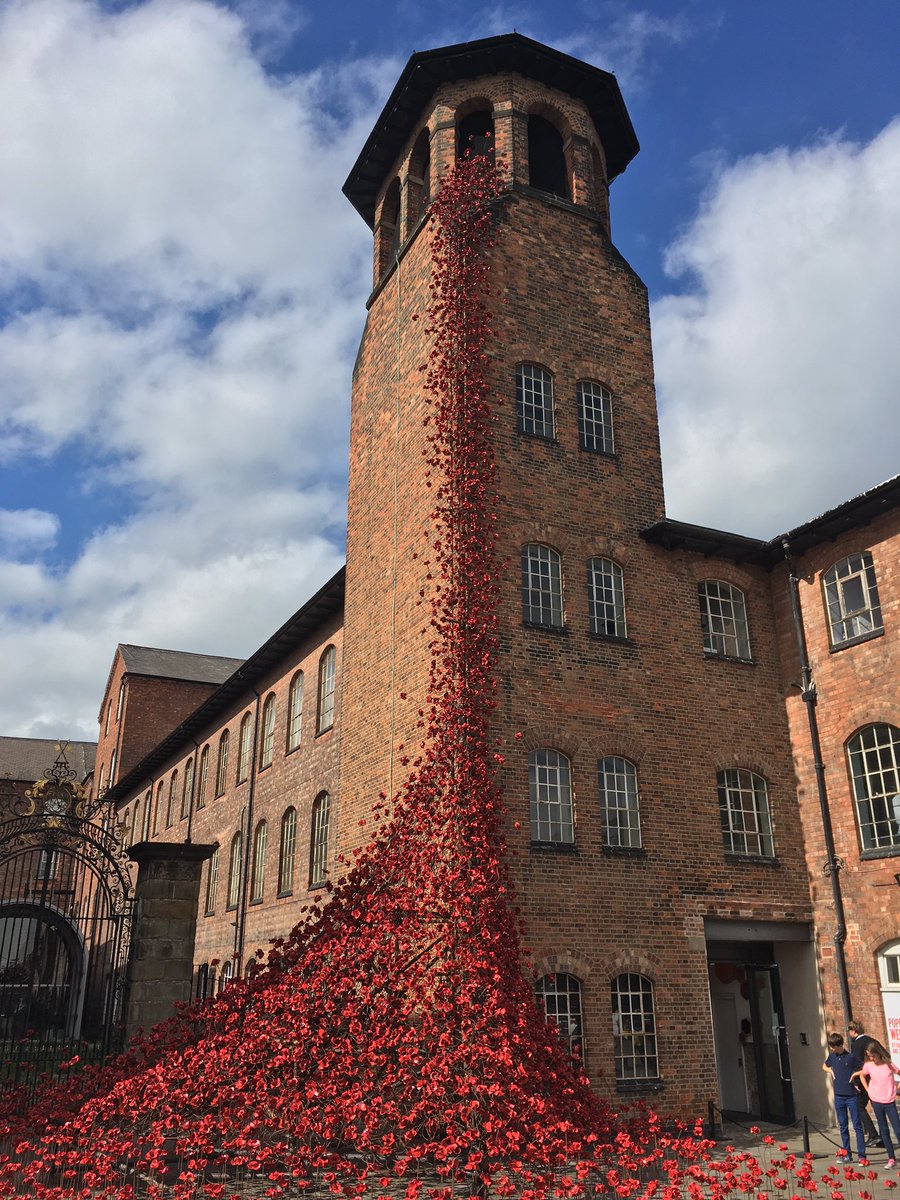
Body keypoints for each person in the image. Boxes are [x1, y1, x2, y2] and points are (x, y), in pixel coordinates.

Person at [854, 1043, 900, 1168]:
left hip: (889, 1100)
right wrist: (868, 1089)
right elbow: (862, 1075)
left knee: (897, 1129)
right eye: (870, 1057)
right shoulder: (868, 1065)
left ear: (878, 1053)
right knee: (884, 1130)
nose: (872, 1059)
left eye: (873, 1056)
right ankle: (891, 1158)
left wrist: (897, 1087)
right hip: (876, 1100)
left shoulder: (888, 1064)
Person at [824, 1032, 867, 1163]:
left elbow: (864, 1067)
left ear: (839, 1045)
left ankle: (861, 1156)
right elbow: (824, 1065)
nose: (832, 1049)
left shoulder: (851, 1057)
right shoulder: (832, 1057)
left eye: (833, 1046)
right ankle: (847, 1154)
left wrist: (854, 1075)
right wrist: (830, 1071)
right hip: (839, 1096)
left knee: (857, 1126)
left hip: (851, 1096)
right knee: (842, 1126)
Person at [848, 1019, 885, 1146]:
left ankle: (873, 1135)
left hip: (866, 1080)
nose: (849, 1034)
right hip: (879, 1078)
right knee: (878, 1107)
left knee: (858, 1105)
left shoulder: (857, 1044)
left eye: (850, 1031)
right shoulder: (873, 1041)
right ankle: (883, 1137)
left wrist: (856, 1082)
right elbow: (885, 1056)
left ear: (854, 1031)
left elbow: (857, 1064)